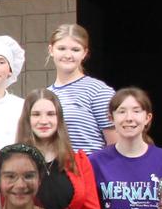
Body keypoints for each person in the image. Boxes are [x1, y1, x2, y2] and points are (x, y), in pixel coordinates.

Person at [16, 89, 102, 209]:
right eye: (36, 114)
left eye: (50, 114)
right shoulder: (14, 162)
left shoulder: (79, 160)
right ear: (27, 120)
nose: (44, 120)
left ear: (59, 119)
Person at [47, 24, 116, 153]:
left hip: (89, 169)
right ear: (51, 50)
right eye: (61, 48)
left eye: (75, 50)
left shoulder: (99, 91)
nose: (68, 55)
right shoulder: (46, 95)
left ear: (84, 53)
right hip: (55, 171)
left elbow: (115, 145)